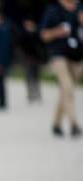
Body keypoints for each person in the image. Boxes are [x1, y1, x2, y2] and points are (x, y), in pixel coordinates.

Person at [40, 0, 83, 137]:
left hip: (76, 56)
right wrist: (57, 32)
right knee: (67, 87)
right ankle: (73, 124)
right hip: (58, 55)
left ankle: (56, 123)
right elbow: (44, 35)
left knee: (66, 91)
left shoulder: (79, 8)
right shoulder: (53, 10)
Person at [19, 19, 46, 103]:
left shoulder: (37, 34)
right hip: (27, 58)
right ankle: (31, 95)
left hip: (36, 59)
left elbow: (41, 46)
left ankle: (37, 94)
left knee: (36, 77)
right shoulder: (23, 35)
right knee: (29, 77)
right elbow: (21, 46)